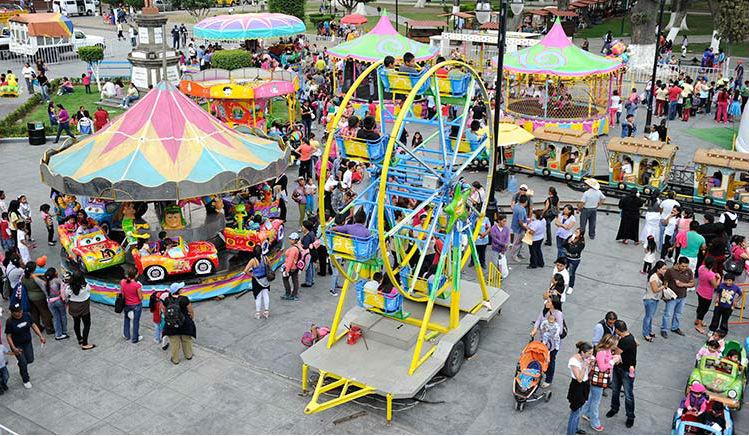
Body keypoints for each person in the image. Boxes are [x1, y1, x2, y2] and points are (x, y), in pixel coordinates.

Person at [581, 334, 620, 432]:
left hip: (599, 379)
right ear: (610, 344)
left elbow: (607, 360)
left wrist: (613, 358)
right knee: (596, 401)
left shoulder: (606, 350)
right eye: (615, 344)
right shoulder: (601, 352)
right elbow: (602, 367)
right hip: (598, 380)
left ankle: (585, 412)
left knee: (592, 398)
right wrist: (613, 361)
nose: (616, 346)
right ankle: (594, 422)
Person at [5, 302, 46, 388]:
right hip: (17, 345)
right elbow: (8, 336)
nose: (19, 313)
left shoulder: (27, 315)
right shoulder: (9, 322)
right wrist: (13, 348)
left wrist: (41, 336)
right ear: (12, 312)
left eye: (20, 310)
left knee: (30, 359)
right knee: (23, 363)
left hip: (27, 342)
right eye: (17, 311)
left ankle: (20, 362)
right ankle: (25, 379)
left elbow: (33, 325)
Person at [606, 320, 637, 428]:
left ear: (618, 330)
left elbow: (616, 354)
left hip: (625, 370)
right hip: (621, 368)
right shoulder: (630, 337)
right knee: (616, 390)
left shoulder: (624, 341)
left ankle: (630, 416)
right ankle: (615, 408)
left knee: (628, 395)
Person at [531, 298, 564, 388]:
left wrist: (548, 329)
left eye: (549, 301)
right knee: (541, 357)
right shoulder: (545, 311)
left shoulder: (558, 314)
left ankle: (549, 379)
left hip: (553, 343)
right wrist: (535, 329)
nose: (546, 302)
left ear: (553, 304)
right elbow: (538, 320)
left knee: (551, 359)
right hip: (544, 340)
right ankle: (542, 371)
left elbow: (560, 331)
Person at [163, 282, 196, 365]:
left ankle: (175, 359)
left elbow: (164, 311)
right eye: (181, 288)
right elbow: (190, 311)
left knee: (174, 342)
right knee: (186, 340)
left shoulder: (166, 300)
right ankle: (188, 355)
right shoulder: (185, 299)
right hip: (184, 324)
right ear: (178, 290)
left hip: (171, 325)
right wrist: (191, 318)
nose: (182, 289)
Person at [661, 257, 694, 338]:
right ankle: (664, 329)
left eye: (686, 266)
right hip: (672, 297)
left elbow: (692, 284)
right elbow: (665, 282)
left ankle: (675, 327)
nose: (684, 268)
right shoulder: (670, 271)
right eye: (683, 266)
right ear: (678, 264)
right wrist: (664, 295)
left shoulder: (689, 271)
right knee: (668, 314)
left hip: (682, 297)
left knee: (678, 314)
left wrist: (683, 284)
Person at [567, 341, 594, 435]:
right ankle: (570, 432)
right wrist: (585, 366)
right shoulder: (574, 361)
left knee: (579, 411)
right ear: (582, 352)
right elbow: (579, 378)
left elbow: (586, 374)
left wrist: (590, 365)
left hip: (585, 385)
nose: (591, 355)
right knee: (575, 413)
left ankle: (575, 428)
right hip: (577, 387)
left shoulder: (584, 359)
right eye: (589, 353)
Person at [64, 270, 95, 350]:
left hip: (73, 308)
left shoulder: (69, 287)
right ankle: (85, 343)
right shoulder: (85, 287)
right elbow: (89, 290)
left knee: (76, 324)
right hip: (84, 308)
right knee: (87, 325)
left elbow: (67, 295)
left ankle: (79, 339)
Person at [21, 261, 53, 334]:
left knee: (34, 314)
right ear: (32, 270)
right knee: (44, 312)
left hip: (30, 297)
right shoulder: (35, 279)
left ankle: (38, 327)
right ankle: (49, 328)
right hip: (39, 297)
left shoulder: (23, 278)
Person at [38, 268, 67, 340]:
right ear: (54, 274)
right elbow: (63, 291)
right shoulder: (57, 281)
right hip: (59, 301)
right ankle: (64, 331)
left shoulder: (43, 283)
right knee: (63, 316)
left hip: (50, 302)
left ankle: (58, 334)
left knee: (56, 318)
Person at [242, 245, 271, 319]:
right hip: (265, 279)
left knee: (258, 297)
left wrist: (252, 275)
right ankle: (266, 312)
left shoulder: (253, 261)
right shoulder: (265, 258)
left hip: (256, 280)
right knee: (266, 295)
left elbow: (245, 270)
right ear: (261, 251)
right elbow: (269, 264)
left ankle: (258, 313)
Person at [695, 256, 720, 334]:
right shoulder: (710, 275)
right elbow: (715, 286)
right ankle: (699, 325)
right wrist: (719, 278)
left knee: (700, 307)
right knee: (704, 310)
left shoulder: (701, 268)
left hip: (699, 290)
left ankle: (697, 320)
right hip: (707, 294)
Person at [642, 260, 666, 342]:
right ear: (658, 269)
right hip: (650, 299)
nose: (665, 271)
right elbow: (655, 290)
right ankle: (645, 333)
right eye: (663, 269)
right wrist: (663, 286)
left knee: (650, 316)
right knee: (648, 317)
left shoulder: (659, 276)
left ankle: (649, 331)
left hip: (655, 299)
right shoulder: (653, 277)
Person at [120, 268, 143, 343]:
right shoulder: (137, 285)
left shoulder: (122, 282)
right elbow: (140, 298)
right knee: (136, 321)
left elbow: (122, 293)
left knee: (126, 319)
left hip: (127, 304)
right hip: (136, 305)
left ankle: (126, 335)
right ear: (136, 275)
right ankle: (135, 338)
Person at [282, 232, 303, 301]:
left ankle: (288, 293)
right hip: (295, 267)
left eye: (291, 239)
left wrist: (286, 271)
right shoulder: (298, 247)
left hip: (291, 267)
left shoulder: (293, 249)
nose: (290, 240)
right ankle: (294, 294)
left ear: (295, 240)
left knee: (285, 279)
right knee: (295, 280)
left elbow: (290, 260)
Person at [508, 194, 529, 262]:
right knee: (517, 243)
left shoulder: (516, 206)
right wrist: (526, 228)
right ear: (525, 202)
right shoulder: (521, 210)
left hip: (515, 227)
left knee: (520, 242)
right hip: (519, 229)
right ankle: (514, 255)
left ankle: (519, 253)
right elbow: (520, 221)